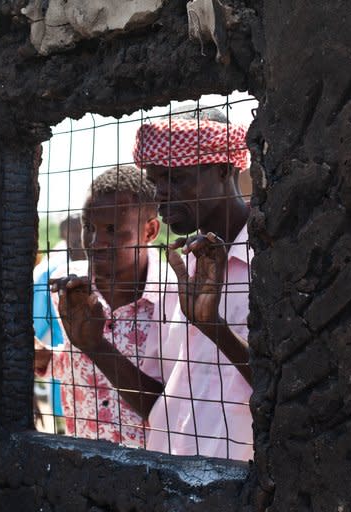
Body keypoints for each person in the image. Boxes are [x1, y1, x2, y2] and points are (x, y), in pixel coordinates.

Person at [133, 108, 254, 460]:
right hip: (169, 474)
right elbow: (163, 391)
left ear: (222, 169)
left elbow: (291, 388)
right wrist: (93, 346)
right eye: (155, 180)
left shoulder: (273, 261)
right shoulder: (179, 268)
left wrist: (212, 326)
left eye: (176, 178)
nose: (161, 195)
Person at [39, 165, 178, 447]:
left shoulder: (173, 298)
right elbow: (79, 366)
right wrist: (44, 360)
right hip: (79, 462)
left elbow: (176, 406)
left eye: (113, 230)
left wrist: (96, 345)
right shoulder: (68, 290)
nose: (96, 242)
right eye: (89, 228)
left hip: (153, 472)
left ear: (150, 230)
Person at [33, 214, 85, 433]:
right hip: (60, 356)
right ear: (64, 233)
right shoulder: (51, 270)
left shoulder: (104, 266)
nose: (78, 237)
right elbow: (38, 322)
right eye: (73, 232)